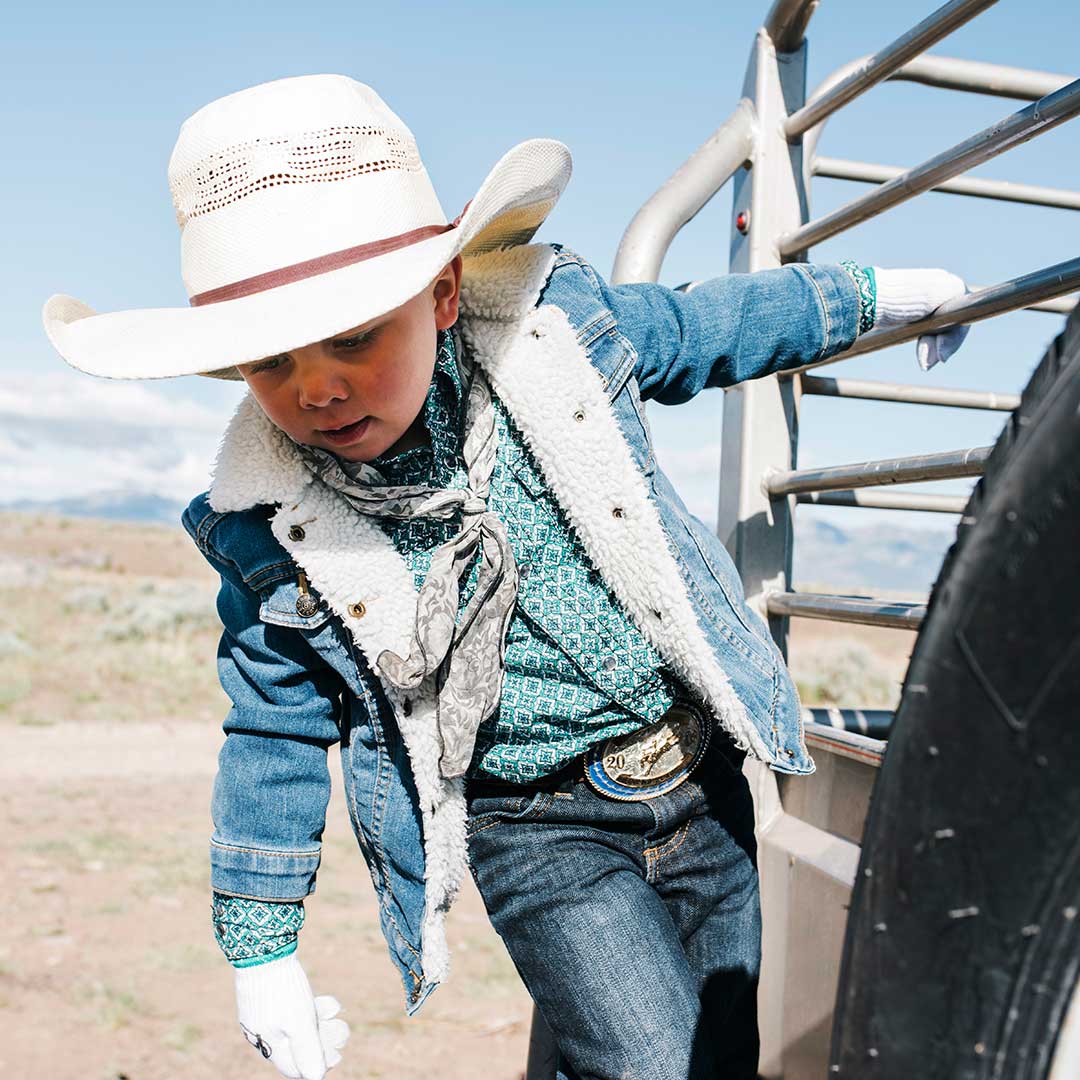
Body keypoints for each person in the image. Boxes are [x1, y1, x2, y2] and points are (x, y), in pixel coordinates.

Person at [42, 73, 970, 1080]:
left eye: (354, 335)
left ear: (441, 296)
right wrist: (260, 950)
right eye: (270, 362)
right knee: (657, 1066)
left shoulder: (554, 337)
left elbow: (711, 328)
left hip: (700, 781)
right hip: (537, 829)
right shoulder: (276, 531)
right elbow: (271, 726)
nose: (315, 387)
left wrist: (877, 297)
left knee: (716, 1050)